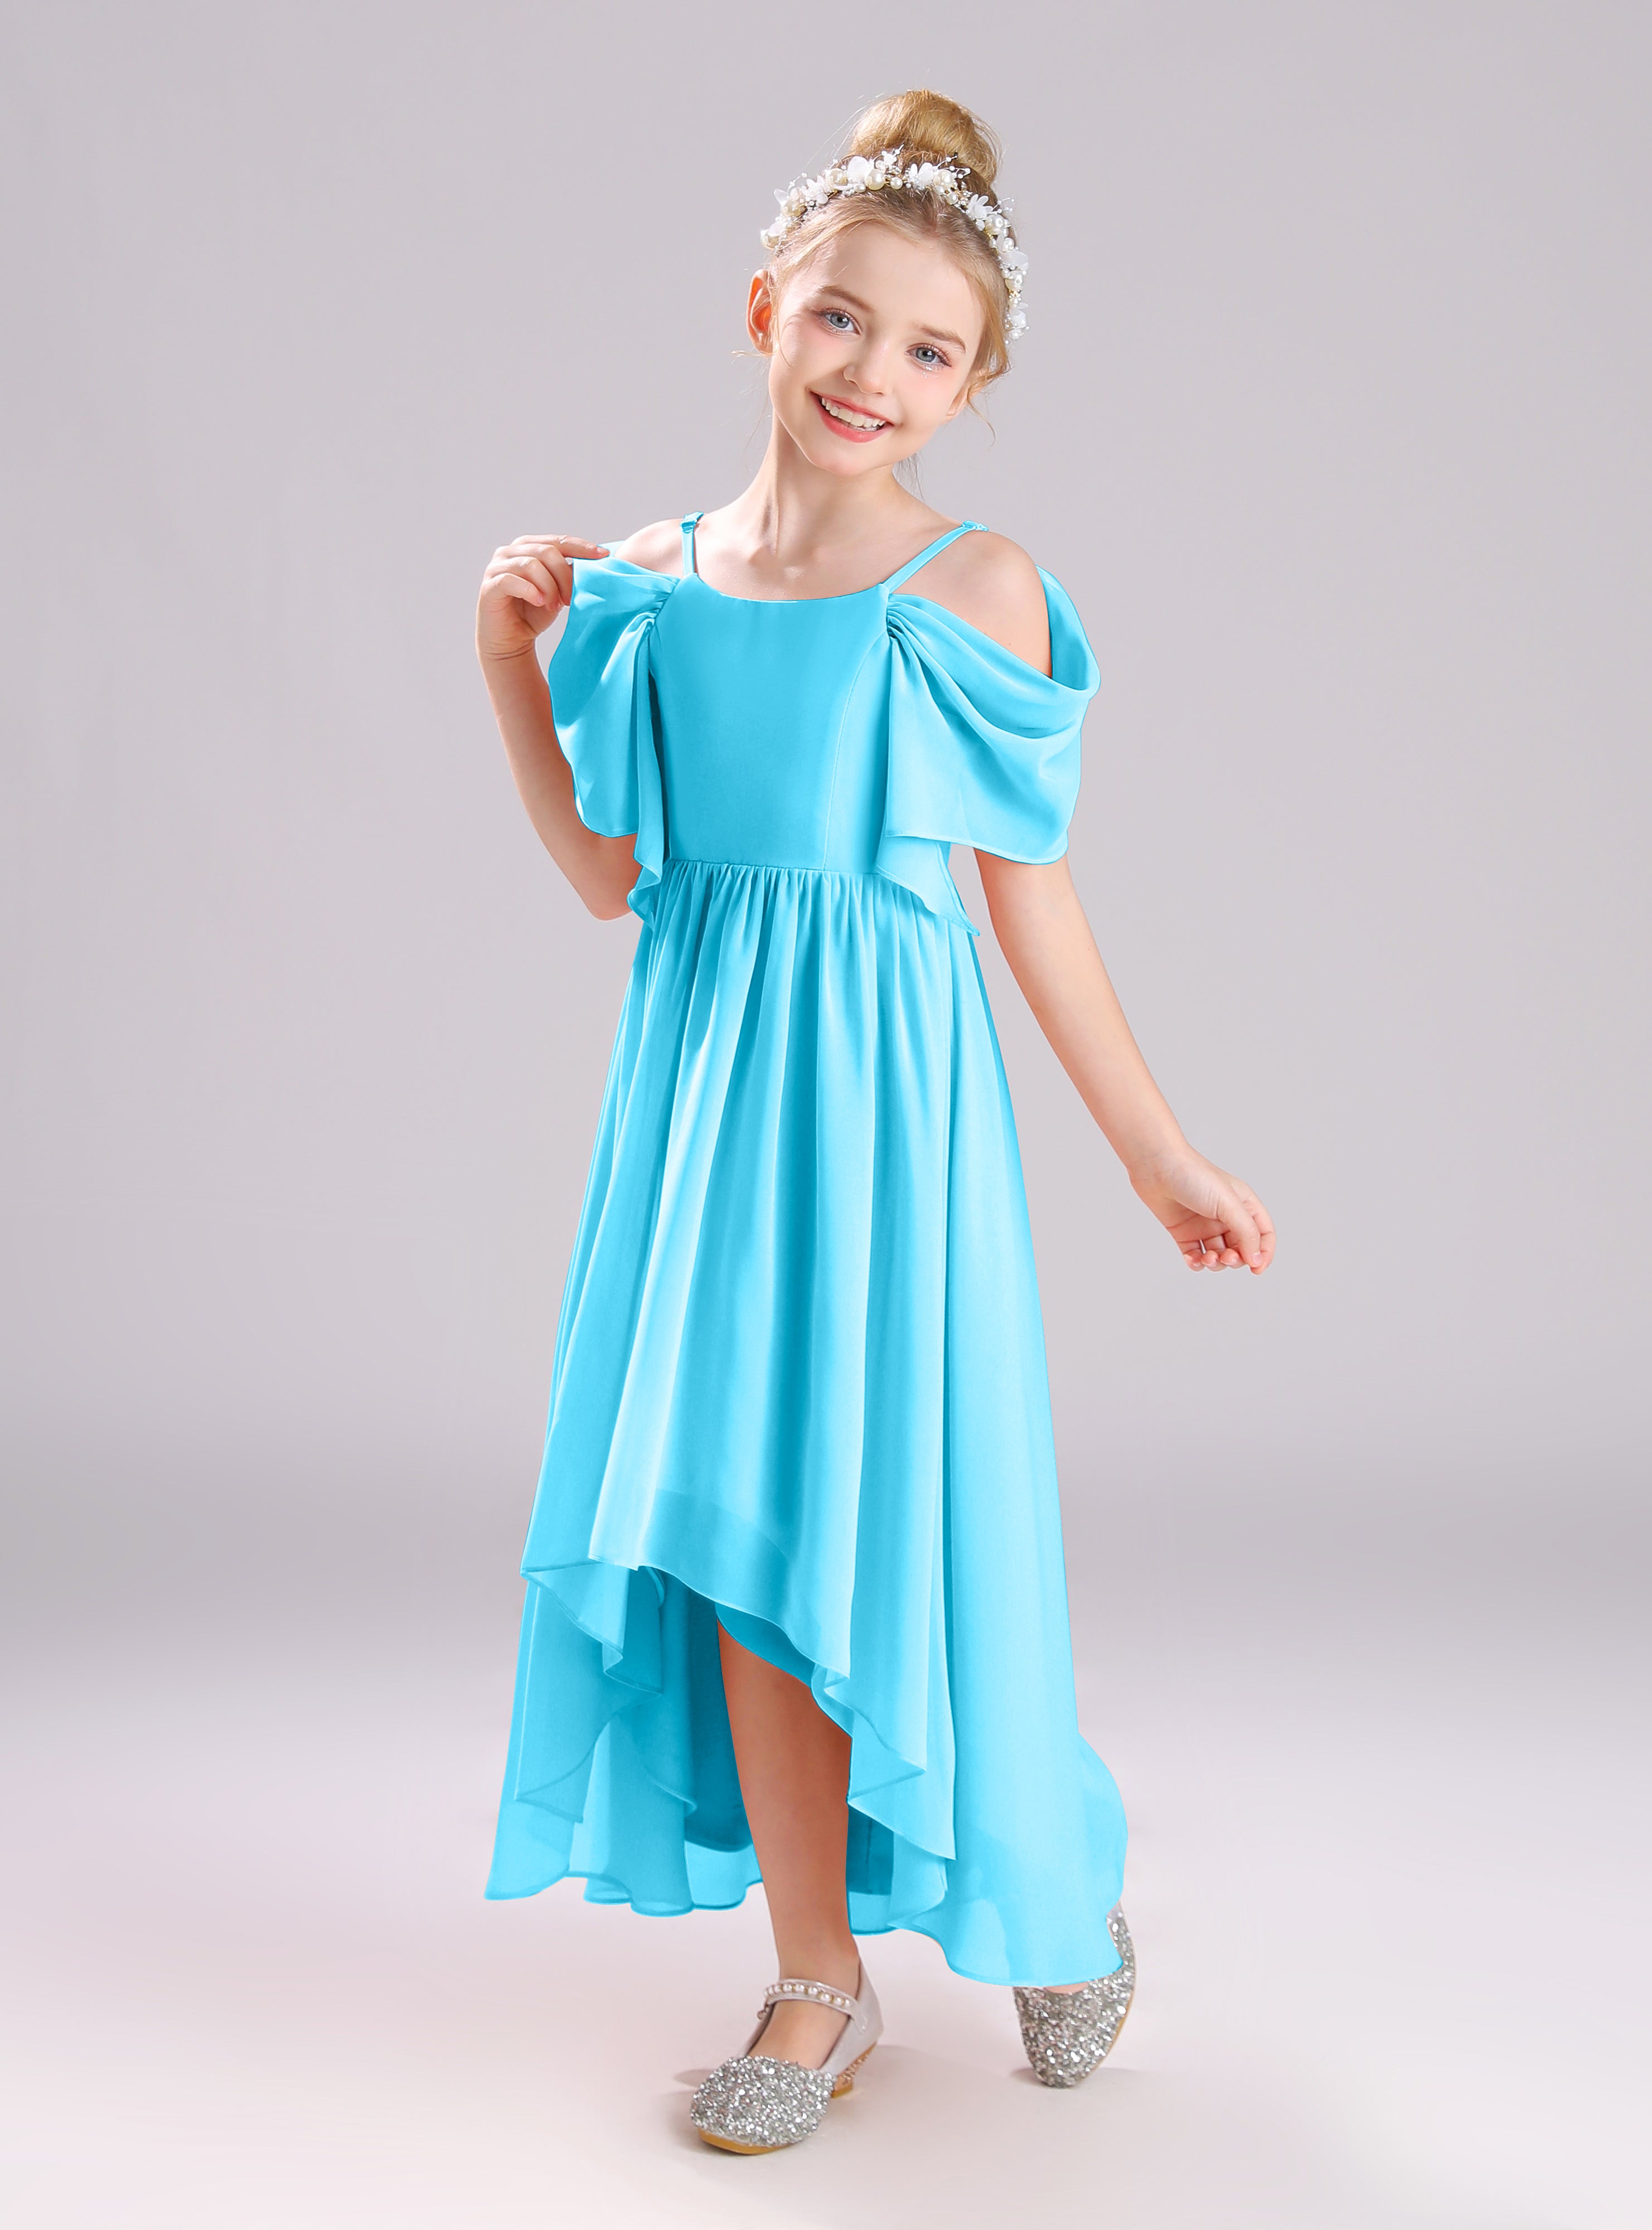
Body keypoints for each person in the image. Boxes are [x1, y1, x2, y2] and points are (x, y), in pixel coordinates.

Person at [474, 89, 1274, 2154]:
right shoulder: (651, 585)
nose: (873, 375)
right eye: (844, 321)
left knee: (913, 1517)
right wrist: (509, 672)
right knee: (739, 1535)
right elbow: (614, 883)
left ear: (971, 388)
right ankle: (818, 1978)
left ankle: (1050, 1888)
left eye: (930, 351)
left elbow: (1032, 904)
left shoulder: (969, 589)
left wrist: (1158, 1155)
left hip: (890, 1129)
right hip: (708, 1119)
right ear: (766, 309)